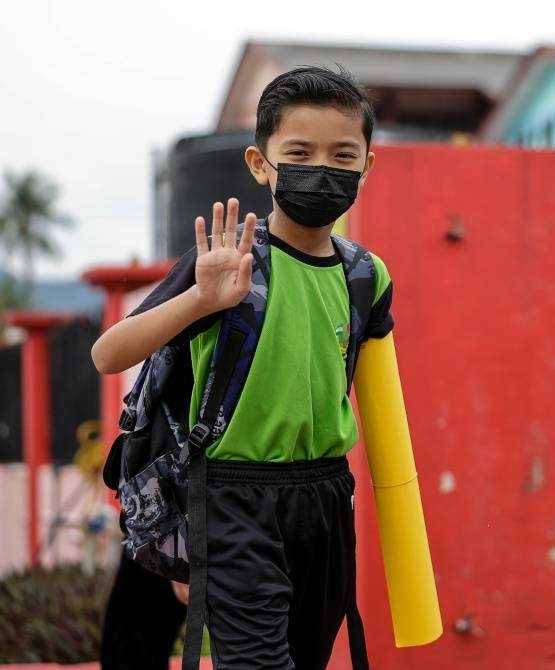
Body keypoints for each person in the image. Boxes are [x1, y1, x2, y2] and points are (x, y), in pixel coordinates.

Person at [91, 64, 393, 669]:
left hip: (326, 498)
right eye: (300, 152)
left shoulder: (366, 275)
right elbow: (109, 354)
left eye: (343, 155)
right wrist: (201, 300)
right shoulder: (228, 264)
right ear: (261, 164)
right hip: (233, 497)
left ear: (367, 164)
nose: (323, 170)